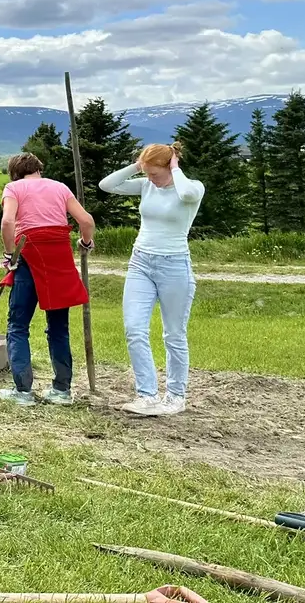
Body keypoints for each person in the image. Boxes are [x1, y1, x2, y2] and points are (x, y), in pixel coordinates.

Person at [99, 142, 204, 417]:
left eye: (154, 174)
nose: (150, 179)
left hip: (174, 265)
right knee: (134, 329)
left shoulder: (191, 187)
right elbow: (106, 185)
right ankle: (147, 395)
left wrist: (174, 168)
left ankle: (176, 396)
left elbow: (188, 193)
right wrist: (139, 165)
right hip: (140, 262)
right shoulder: (146, 185)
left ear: (169, 166)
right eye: (146, 173)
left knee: (174, 334)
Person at [0, 152, 96, 407]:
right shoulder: (60, 187)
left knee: (18, 325)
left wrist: (9, 253)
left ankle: (23, 391)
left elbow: (8, 221)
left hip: (29, 252)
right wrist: (85, 242)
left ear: (15, 172)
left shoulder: (14, 188)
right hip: (59, 254)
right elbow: (86, 220)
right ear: (38, 169)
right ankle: (62, 390)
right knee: (58, 327)